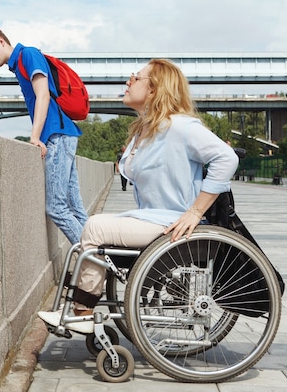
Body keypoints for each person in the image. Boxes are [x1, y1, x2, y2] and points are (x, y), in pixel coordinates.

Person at [39, 59, 239, 333]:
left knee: (94, 226)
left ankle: (82, 313)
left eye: (135, 78)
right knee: (92, 236)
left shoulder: (180, 127)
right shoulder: (146, 131)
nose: (128, 82)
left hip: (172, 224)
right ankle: (79, 309)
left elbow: (226, 157)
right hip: (152, 220)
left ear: (155, 89)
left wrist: (195, 212)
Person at [0, 28, 88, 244]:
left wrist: (35, 137)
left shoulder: (28, 55)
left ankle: (95, 259)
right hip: (62, 135)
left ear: (1, 41)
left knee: (56, 208)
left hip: (57, 135)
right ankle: (102, 262)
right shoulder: (19, 64)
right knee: (74, 207)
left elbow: (43, 95)